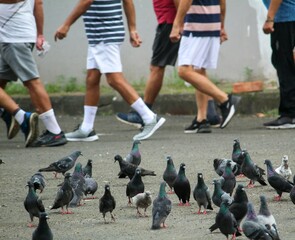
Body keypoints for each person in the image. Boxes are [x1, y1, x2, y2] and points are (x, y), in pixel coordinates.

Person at [54, 0, 165, 141]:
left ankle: (149, 118)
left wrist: (66, 24)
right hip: (99, 34)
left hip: (105, 34)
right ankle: (86, 129)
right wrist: (132, 29)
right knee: (92, 78)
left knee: (114, 79)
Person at [116, 0, 221, 133]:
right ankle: (210, 113)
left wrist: (179, 24)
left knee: (157, 67)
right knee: (197, 68)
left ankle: (143, 113)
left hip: (170, 22)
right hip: (174, 21)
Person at [0, 0, 67, 147]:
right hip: (13, 35)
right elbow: (39, 3)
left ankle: (53, 131)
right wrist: (40, 33)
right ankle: (8, 113)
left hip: (14, 36)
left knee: (31, 81)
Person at [170, 0, 240, 130]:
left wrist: (177, 23)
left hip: (196, 25)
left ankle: (225, 100)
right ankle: (202, 119)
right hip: (212, 23)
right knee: (198, 70)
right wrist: (221, 25)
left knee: (184, 71)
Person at [262, 0, 295, 129]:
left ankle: (289, 114)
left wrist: (270, 18)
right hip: (288, 18)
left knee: (284, 65)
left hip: (285, 19)